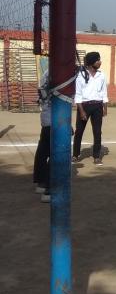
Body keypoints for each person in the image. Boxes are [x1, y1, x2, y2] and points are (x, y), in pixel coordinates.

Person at [72, 51, 108, 165]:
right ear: (92, 62)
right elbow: (78, 94)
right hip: (84, 106)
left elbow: (104, 92)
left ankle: (96, 156)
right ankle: (75, 155)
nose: (100, 62)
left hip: (97, 106)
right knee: (79, 131)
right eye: (98, 60)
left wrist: (105, 108)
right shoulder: (81, 75)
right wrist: (81, 111)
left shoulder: (101, 75)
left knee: (97, 132)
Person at [33, 71, 51, 202]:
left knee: (43, 151)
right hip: (56, 119)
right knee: (56, 154)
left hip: (47, 118)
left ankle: (41, 183)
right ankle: (49, 190)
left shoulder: (48, 72)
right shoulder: (59, 72)